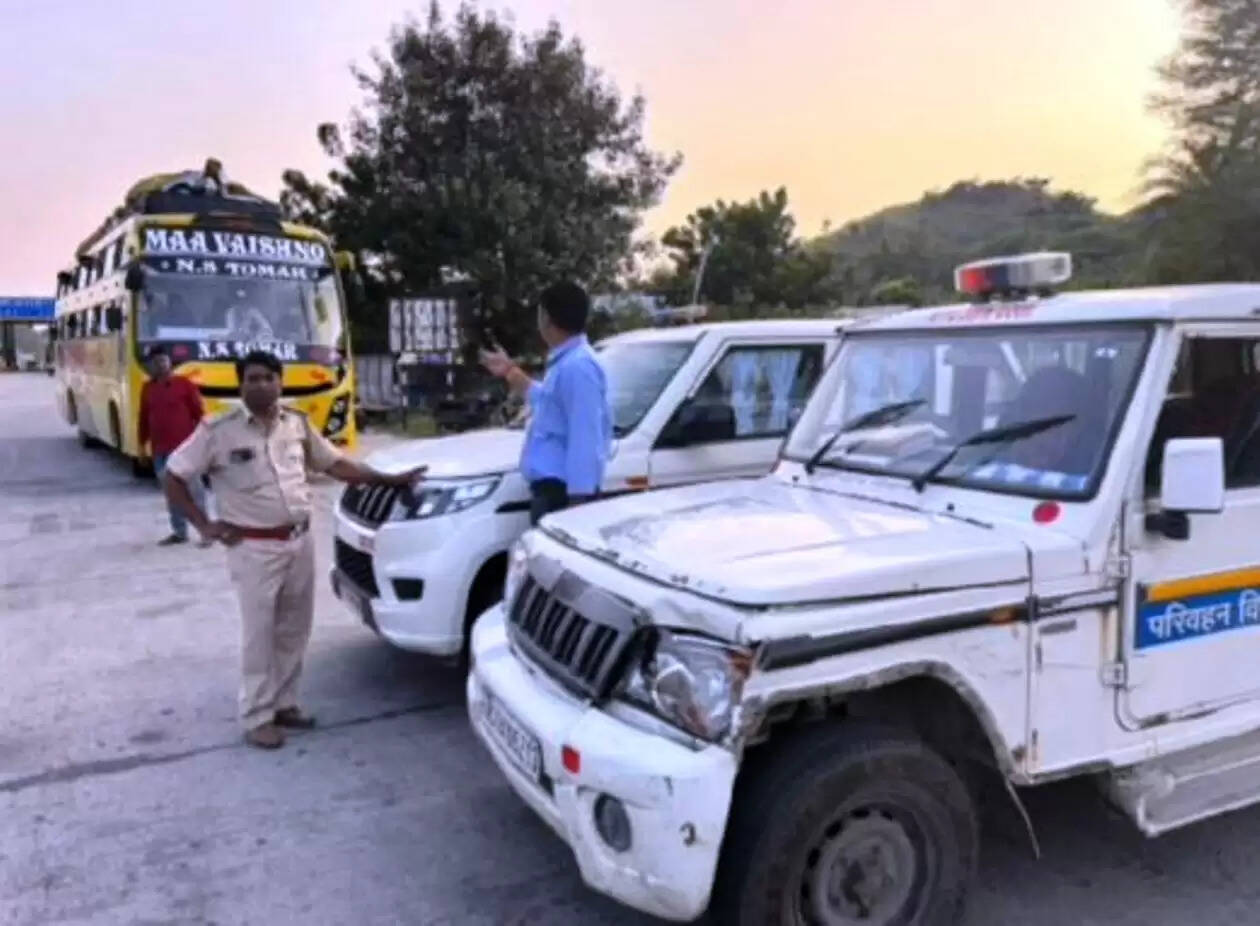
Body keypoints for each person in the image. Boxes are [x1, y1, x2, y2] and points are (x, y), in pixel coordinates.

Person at [162, 350, 426, 750]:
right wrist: (204, 524)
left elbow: (336, 465)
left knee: (293, 629)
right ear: (240, 384)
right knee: (259, 634)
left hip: (299, 541)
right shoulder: (218, 430)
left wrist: (388, 480)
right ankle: (256, 716)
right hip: (253, 548)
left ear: (280, 381)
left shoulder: (296, 424)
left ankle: (284, 703)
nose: (261, 385)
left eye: (269, 377)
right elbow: (174, 476)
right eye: (252, 378)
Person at [480, 281, 612, 525]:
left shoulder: (578, 367)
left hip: (563, 496)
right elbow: (548, 405)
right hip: (553, 493)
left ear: (547, 318)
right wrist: (510, 371)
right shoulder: (566, 362)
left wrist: (578, 502)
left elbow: (585, 436)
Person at [138, 345, 208, 546]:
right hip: (160, 450)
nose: (160, 365)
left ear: (170, 363)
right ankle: (179, 532)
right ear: (151, 365)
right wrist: (142, 445)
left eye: (163, 360)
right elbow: (143, 418)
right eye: (155, 361)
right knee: (172, 494)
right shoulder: (148, 388)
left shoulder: (185, 384)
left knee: (195, 492)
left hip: (186, 449)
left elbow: (199, 415)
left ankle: (206, 531)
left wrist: (203, 443)